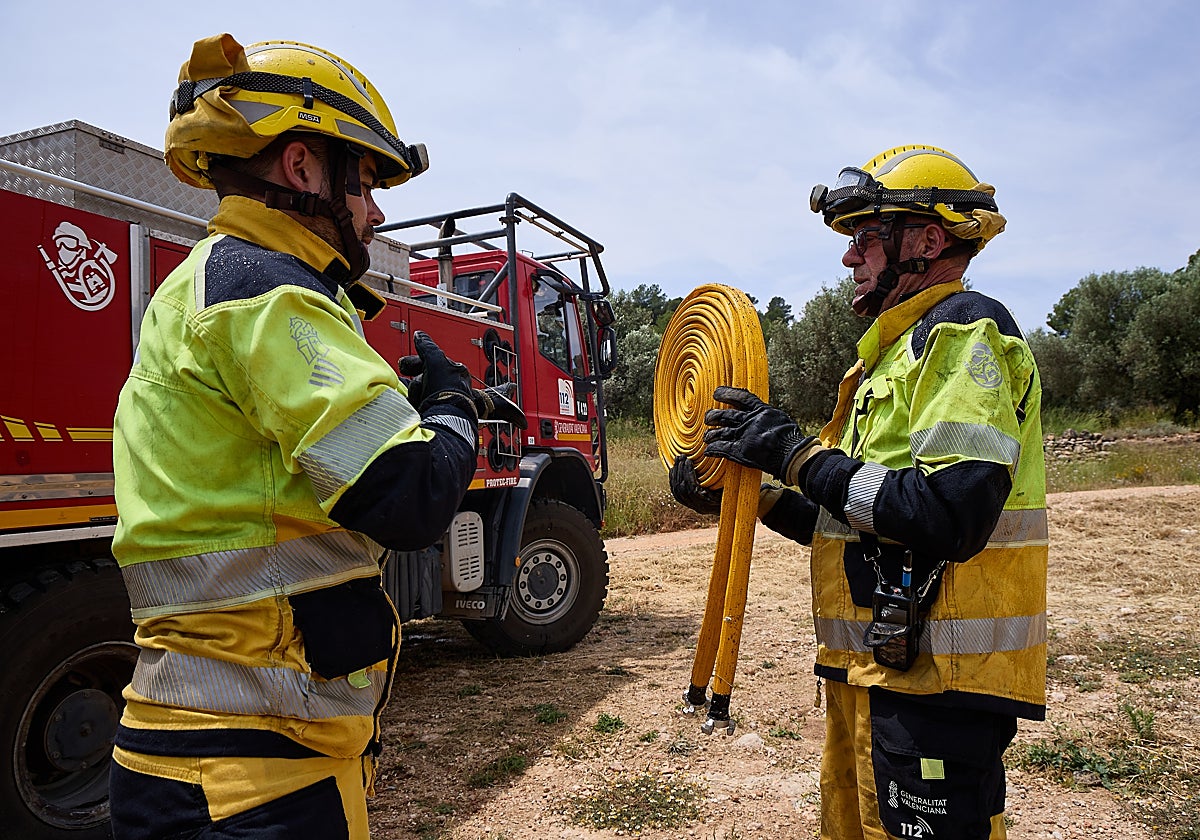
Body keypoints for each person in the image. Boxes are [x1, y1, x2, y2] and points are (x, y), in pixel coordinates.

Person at [108, 34, 482, 838]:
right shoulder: (268, 289)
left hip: (196, 762)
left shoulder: (207, 284)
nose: (378, 211)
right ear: (305, 168)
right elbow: (411, 497)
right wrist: (455, 407)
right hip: (255, 782)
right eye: (369, 180)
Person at [672, 145, 1046, 839]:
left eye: (866, 238)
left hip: (939, 685)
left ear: (927, 239)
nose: (850, 258)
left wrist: (794, 451)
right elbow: (849, 517)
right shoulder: (892, 356)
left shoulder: (961, 336)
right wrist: (743, 494)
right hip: (873, 677)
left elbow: (949, 513)